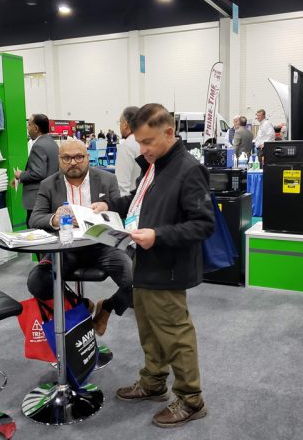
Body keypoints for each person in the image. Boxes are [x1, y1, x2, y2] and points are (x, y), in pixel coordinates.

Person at [92, 103, 215, 428]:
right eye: (139, 142)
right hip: (145, 261)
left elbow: (204, 224)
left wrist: (158, 236)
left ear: (169, 133)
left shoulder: (188, 169)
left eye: (148, 141)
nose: (142, 148)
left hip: (167, 265)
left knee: (175, 333)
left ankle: (191, 400)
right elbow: (139, 202)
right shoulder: (155, 165)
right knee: (149, 326)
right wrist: (109, 204)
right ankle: (153, 382)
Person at [28, 139, 133, 336]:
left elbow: (119, 213)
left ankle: (107, 307)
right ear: (59, 160)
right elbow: (35, 218)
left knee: (136, 280)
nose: (73, 162)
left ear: (88, 157)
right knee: (37, 282)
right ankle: (80, 304)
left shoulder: (107, 179)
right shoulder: (48, 184)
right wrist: (55, 218)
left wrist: (105, 211)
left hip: (102, 245)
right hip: (65, 248)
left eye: (78, 157)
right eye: (67, 158)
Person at [12, 114, 59, 225]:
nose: (27, 128)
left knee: (34, 227)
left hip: (37, 199)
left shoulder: (38, 146)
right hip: (51, 196)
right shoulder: (53, 143)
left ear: (36, 128)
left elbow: (38, 173)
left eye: (29, 125)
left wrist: (20, 175)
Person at [115, 106, 140, 195]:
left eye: (120, 122)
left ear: (125, 124)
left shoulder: (126, 146)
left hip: (131, 199)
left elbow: (121, 185)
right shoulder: (147, 143)